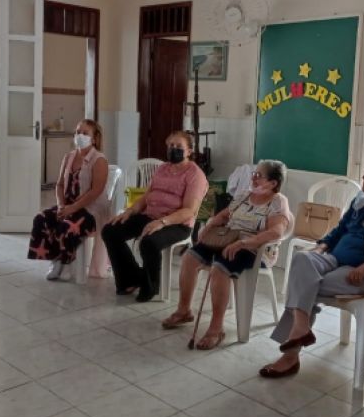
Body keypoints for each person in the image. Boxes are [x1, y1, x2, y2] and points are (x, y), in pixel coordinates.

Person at [260, 154, 364, 378]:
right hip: (335, 259)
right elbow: (339, 230)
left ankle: (290, 356)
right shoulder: (361, 200)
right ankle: (301, 328)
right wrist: (321, 247)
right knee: (302, 259)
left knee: (305, 285)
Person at [161, 160, 291, 350]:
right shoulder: (245, 195)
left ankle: (216, 329)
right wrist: (209, 226)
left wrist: (244, 242)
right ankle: (184, 310)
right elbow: (223, 215)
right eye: (253, 174)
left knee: (219, 268)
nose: (253, 178)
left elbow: (276, 232)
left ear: (273, 183)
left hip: (254, 249)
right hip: (227, 239)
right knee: (190, 257)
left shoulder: (278, 202)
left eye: (258, 175)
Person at [101, 131, 208, 302]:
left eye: (179, 146)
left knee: (148, 241)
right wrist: (130, 211)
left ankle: (150, 286)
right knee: (110, 231)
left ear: (189, 151)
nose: (173, 149)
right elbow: (146, 196)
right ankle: (131, 279)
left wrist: (162, 222)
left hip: (177, 223)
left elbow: (189, 210)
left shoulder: (195, 175)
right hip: (150, 215)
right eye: (171, 145)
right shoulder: (163, 168)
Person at [28, 119, 109, 280]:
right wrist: (61, 205)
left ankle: (66, 262)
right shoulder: (69, 157)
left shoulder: (99, 160)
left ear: (94, 139)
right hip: (68, 205)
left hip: (90, 210)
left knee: (67, 225)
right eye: (78, 132)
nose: (80, 136)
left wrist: (72, 209)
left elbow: (96, 191)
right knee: (41, 218)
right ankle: (55, 259)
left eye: (85, 133)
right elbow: (59, 185)